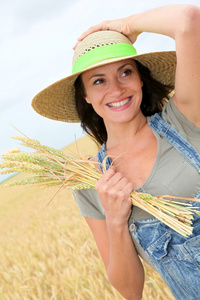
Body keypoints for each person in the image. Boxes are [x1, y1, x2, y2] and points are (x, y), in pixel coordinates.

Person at [32, 4, 200, 300]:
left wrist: (128, 24)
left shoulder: (183, 119)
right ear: (85, 95)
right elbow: (130, 290)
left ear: (141, 79)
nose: (117, 89)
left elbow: (189, 20)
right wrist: (115, 220)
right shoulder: (89, 180)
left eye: (125, 72)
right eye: (99, 80)